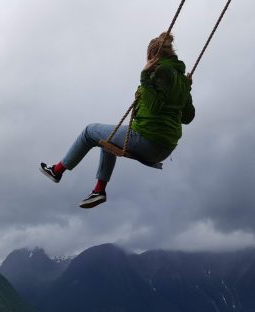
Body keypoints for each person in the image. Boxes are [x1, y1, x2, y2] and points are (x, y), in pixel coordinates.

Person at [40, 32, 195, 209]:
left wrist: (144, 77)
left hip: (148, 139)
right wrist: (186, 91)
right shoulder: (182, 80)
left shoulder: (160, 73)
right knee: (108, 141)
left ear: (152, 57)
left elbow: (153, 107)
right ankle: (98, 191)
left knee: (89, 131)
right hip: (165, 147)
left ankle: (57, 171)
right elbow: (188, 117)